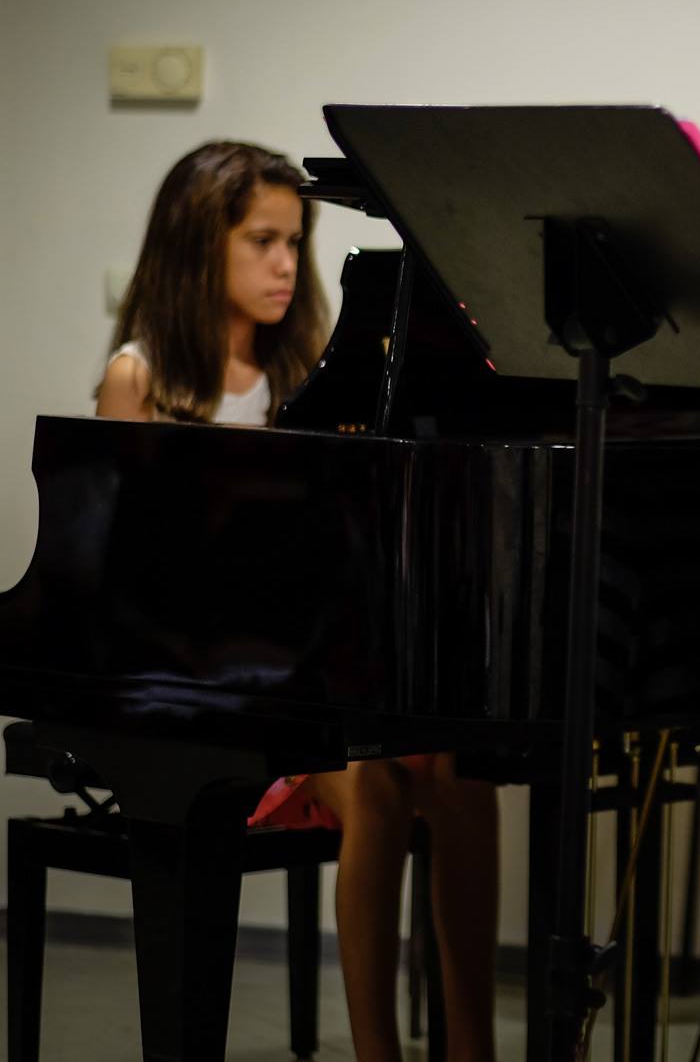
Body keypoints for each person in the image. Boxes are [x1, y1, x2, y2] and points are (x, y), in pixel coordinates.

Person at [98, 140, 501, 1062]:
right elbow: (132, 566)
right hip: (209, 677)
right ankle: (376, 1052)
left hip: (308, 662)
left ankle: (471, 1048)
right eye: (262, 241)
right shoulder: (142, 377)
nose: (286, 264)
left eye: (295, 241)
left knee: (459, 774)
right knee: (382, 781)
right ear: (200, 246)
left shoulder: (309, 379)